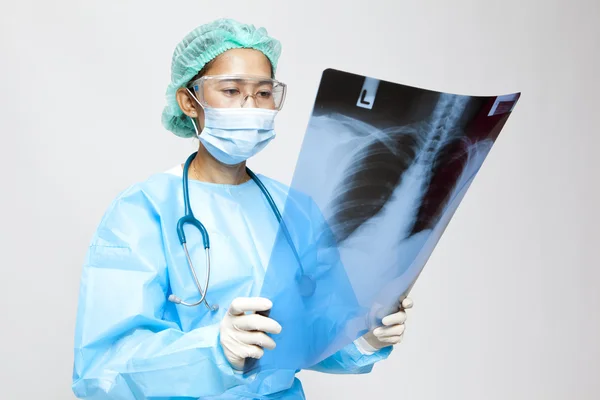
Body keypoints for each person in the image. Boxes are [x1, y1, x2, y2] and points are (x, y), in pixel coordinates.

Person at [71, 18, 413, 399]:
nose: (251, 107)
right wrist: (215, 352)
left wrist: (363, 334)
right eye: (232, 90)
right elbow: (103, 370)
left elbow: (310, 337)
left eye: (264, 93)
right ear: (189, 101)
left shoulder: (293, 209)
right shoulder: (142, 212)